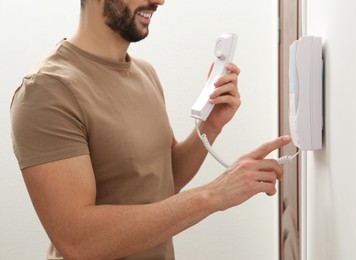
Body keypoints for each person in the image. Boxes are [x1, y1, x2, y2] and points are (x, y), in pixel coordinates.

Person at [10, 0, 291, 259]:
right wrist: (214, 194)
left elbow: (163, 179)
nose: (159, 0)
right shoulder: (47, 90)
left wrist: (210, 125)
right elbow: (79, 240)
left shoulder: (145, 73)